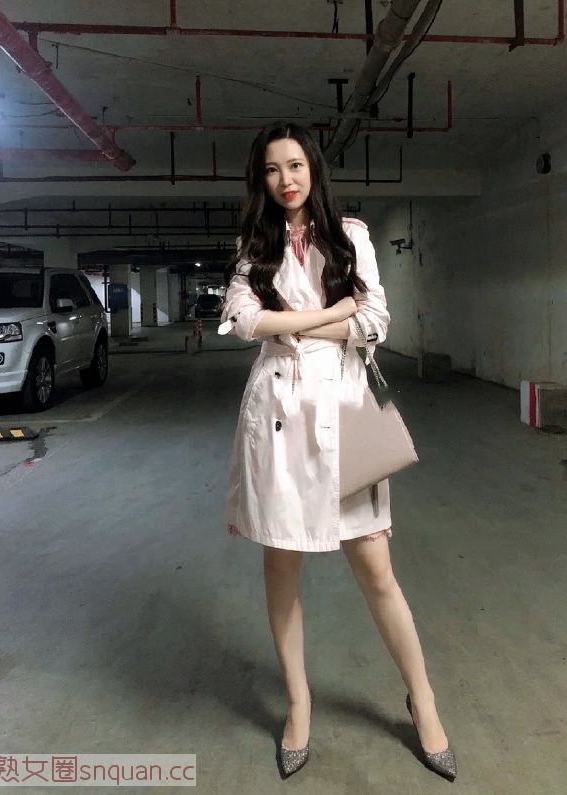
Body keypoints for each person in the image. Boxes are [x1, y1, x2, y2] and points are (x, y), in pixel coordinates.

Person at [219, 121, 456, 781]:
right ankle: (299, 703)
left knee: (377, 568)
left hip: (345, 413)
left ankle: (423, 697)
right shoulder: (253, 244)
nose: (286, 179)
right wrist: (329, 315)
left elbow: (376, 318)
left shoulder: (350, 235)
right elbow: (244, 321)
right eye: (272, 169)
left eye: (295, 165)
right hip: (278, 417)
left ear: (313, 169)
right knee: (281, 565)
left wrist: (294, 324)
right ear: (261, 179)